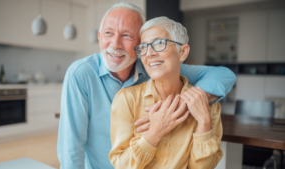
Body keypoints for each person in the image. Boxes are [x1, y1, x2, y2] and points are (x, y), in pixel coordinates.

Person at [57, 2, 235, 169]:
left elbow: (224, 75)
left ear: (137, 45)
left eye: (126, 35)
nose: (115, 44)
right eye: (108, 33)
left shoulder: (156, 66)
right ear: (99, 36)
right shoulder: (81, 73)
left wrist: (188, 104)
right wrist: (156, 130)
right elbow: (71, 146)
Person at [109, 16, 222, 169]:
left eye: (159, 43)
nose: (149, 53)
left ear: (183, 52)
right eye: (143, 47)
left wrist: (204, 122)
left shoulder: (206, 104)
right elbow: (121, 165)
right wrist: (155, 133)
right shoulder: (127, 99)